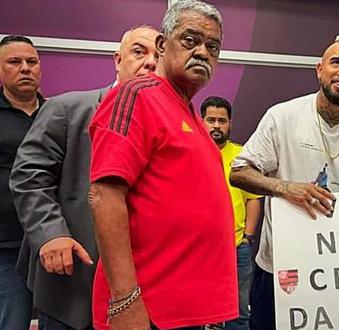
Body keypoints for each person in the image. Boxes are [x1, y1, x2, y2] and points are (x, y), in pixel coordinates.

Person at [87, 1, 238, 329]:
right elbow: (104, 196)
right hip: (148, 313)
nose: (202, 52)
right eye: (190, 40)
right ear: (161, 45)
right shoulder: (138, 95)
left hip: (186, 313)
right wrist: (124, 301)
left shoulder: (192, 116)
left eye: (212, 46)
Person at [9, 26, 158, 330]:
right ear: (118, 60)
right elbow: (29, 175)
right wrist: (50, 233)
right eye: (139, 52)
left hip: (147, 287)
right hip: (75, 284)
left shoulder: (170, 125)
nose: (151, 62)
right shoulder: (67, 108)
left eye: (160, 55)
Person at [229, 32, 339, 330]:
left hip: (338, 273)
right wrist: (285, 188)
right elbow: (239, 172)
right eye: (336, 62)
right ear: (319, 70)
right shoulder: (282, 116)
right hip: (278, 270)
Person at [201, 96, 262, 330]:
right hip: (199, 249)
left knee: (238, 312)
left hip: (237, 248)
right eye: (211, 120)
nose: (216, 125)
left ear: (230, 123)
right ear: (202, 121)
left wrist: (247, 237)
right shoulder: (190, 152)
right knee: (198, 310)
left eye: (222, 120)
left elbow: (254, 199)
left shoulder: (242, 157)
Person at [0, 35, 43, 330]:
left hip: (50, 243)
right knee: (13, 323)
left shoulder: (57, 113)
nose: (25, 68)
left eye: (32, 62)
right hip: (7, 243)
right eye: (15, 62)